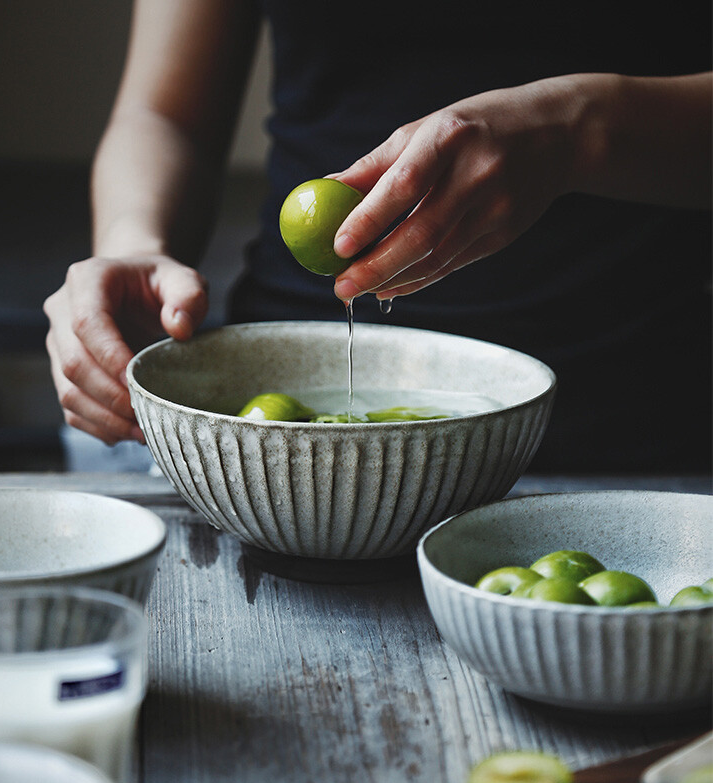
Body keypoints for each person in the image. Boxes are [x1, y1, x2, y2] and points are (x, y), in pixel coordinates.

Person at [44, 0, 712, 473]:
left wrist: (580, 129)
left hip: (633, 419)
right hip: (269, 430)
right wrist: (133, 242)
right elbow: (165, 116)